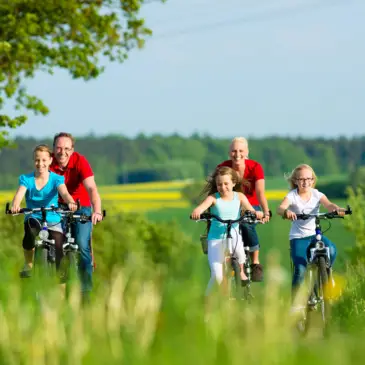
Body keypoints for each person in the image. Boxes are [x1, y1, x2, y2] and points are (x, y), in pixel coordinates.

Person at [276, 164, 345, 306]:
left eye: (308, 179)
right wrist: (286, 212)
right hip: (298, 237)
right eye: (301, 179)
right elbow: (280, 208)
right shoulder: (292, 196)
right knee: (300, 268)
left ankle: (326, 274)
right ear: (295, 181)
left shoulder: (317, 194)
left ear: (313, 180)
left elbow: (328, 204)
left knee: (331, 249)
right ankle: (296, 304)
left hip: (315, 234)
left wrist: (336, 209)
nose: (305, 182)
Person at [191, 166, 264, 296]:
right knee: (217, 277)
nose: (223, 187)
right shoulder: (213, 198)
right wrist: (197, 212)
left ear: (234, 183)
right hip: (216, 239)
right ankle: (208, 301)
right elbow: (201, 207)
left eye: (226, 184)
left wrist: (256, 213)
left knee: (240, 253)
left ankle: (241, 270)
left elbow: (250, 209)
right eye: (219, 184)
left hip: (234, 234)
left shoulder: (239, 196)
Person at [10, 144, 77, 278]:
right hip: (33, 215)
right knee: (30, 230)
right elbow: (19, 195)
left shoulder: (56, 179)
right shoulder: (27, 179)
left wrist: (70, 202)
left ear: (50, 160)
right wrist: (15, 205)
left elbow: (64, 193)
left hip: (52, 217)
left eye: (44, 160)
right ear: (33, 160)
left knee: (59, 241)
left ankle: (59, 271)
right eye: (37, 160)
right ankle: (29, 263)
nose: (40, 163)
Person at [50, 132, 103, 296]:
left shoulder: (80, 161)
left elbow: (92, 188)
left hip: (81, 207)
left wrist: (97, 210)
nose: (62, 152)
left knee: (81, 243)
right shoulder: (48, 162)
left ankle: (85, 289)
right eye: (58, 148)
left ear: (72, 150)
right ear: (53, 149)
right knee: (52, 242)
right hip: (57, 207)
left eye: (66, 148)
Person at [216, 137, 270, 282]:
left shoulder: (255, 167)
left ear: (246, 152)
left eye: (241, 151)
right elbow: (214, 190)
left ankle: (255, 262)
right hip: (229, 205)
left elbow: (260, 193)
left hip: (251, 206)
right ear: (229, 153)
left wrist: (265, 211)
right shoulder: (223, 167)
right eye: (234, 151)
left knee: (246, 224)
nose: (237, 154)